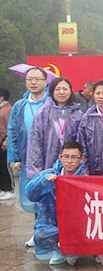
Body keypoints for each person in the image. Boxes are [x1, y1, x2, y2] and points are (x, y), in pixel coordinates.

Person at [26, 140, 86, 266]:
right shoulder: (48, 174)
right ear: (60, 157)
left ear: (81, 159)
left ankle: (74, 250)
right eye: (66, 157)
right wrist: (43, 182)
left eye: (74, 157)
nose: (69, 161)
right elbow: (31, 195)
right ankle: (57, 251)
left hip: (77, 224)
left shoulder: (85, 179)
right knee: (42, 234)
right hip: (52, 221)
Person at [7, 67, 49, 214]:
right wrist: (15, 158)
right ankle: (38, 226)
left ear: (46, 82)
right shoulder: (20, 106)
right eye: (30, 79)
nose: (33, 82)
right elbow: (12, 131)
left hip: (48, 156)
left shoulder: (51, 103)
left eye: (37, 79)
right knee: (31, 195)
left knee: (49, 194)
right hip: (27, 158)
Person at [26, 77, 83, 180]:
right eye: (58, 89)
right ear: (52, 91)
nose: (61, 92)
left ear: (70, 91)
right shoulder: (43, 113)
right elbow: (35, 142)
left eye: (65, 89)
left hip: (71, 162)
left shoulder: (78, 114)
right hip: (47, 160)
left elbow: (82, 141)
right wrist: (36, 168)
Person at [76, 81, 103, 176]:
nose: (101, 96)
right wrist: (85, 168)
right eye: (98, 93)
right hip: (95, 164)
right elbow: (82, 144)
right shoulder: (87, 117)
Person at [0, 88, 13, 201]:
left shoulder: (8, 109)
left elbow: (11, 126)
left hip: (4, 141)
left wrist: (7, 140)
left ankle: (8, 189)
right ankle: (2, 189)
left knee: (5, 166)